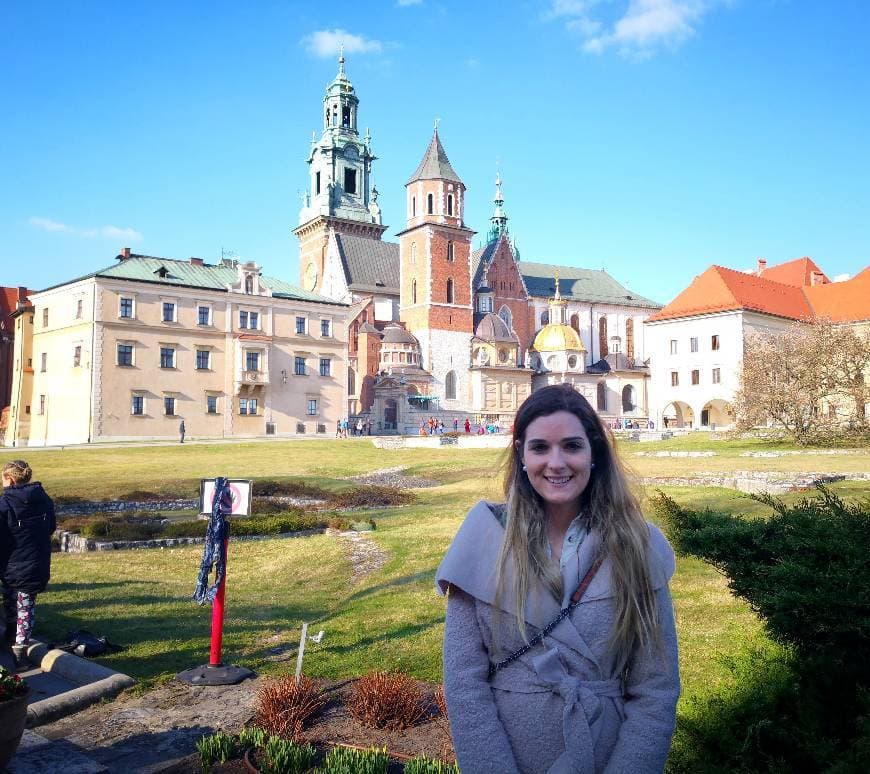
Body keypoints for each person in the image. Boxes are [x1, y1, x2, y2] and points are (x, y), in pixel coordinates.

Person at [436, 384, 679, 773]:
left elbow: (656, 688)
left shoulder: (638, 544)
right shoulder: (483, 539)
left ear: (594, 452)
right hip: (508, 757)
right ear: (521, 455)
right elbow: (465, 684)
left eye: (571, 446)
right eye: (540, 448)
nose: (556, 463)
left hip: (604, 753)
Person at [1, 460, 56, 671]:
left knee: (14, 602)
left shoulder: (5, 504)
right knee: (26, 608)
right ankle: (16, 642)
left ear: (10, 479)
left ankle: (18, 652)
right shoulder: (44, 499)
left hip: (11, 564)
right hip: (35, 563)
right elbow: (50, 527)